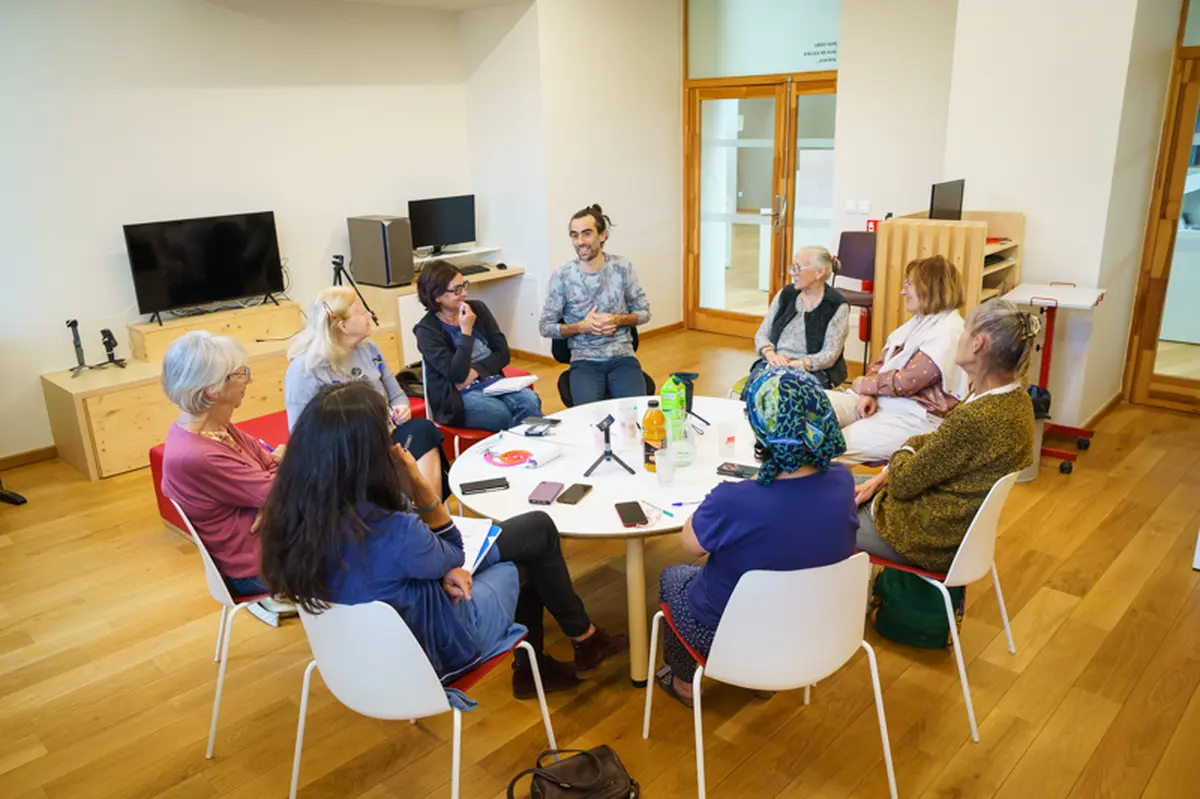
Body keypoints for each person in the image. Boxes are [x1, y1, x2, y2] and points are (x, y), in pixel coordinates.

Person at [259, 382, 628, 698]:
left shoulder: (294, 514)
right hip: (437, 649)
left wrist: (439, 570)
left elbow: (396, 566)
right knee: (529, 553)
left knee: (534, 528)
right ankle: (544, 662)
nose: (396, 439)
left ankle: (578, 643)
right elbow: (452, 551)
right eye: (388, 432)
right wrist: (423, 491)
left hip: (353, 658)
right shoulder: (392, 529)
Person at [654, 367, 858, 707]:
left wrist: (709, 509)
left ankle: (686, 684)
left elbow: (689, 546)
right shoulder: (842, 480)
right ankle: (765, 680)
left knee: (672, 576)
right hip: (814, 622)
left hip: (730, 633)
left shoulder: (733, 500)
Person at [853, 299, 1039, 572]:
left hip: (923, 537)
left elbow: (906, 480)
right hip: (953, 529)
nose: (960, 337)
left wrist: (903, 455)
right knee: (837, 484)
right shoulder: (1016, 401)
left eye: (966, 331)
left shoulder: (975, 417)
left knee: (811, 505)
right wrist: (887, 473)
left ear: (979, 344)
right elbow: (931, 444)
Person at [159, 331, 295, 627]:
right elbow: (285, 489)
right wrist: (274, 494)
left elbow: (271, 470)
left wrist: (271, 497)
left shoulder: (214, 427)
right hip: (255, 566)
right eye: (241, 373)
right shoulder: (200, 453)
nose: (248, 379)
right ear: (213, 390)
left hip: (270, 538)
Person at [285, 286, 444, 492]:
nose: (369, 314)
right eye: (361, 311)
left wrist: (401, 407)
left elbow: (397, 395)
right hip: (345, 452)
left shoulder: (368, 349)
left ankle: (429, 514)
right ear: (343, 325)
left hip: (384, 435)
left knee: (423, 430)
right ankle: (414, 513)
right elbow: (301, 435)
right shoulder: (305, 369)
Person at [825, 255, 971, 464]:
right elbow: (880, 363)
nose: (903, 291)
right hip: (880, 401)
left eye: (909, 284)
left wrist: (864, 384)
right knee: (811, 405)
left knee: (827, 446)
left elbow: (906, 382)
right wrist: (869, 393)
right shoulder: (917, 323)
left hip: (912, 417)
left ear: (929, 287)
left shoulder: (949, 331)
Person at [538, 204, 652, 405]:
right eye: (574, 235)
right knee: (589, 418)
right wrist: (582, 326)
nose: (580, 241)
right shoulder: (562, 276)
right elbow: (545, 327)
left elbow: (644, 312)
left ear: (602, 235)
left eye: (586, 234)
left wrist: (619, 319)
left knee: (635, 413)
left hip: (622, 356)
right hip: (584, 360)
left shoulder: (622, 267)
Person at [413, 260, 542, 431]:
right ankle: (516, 450)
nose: (464, 293)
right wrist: (466, 332)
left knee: (530, 401)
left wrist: (474, 372)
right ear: (436, 296)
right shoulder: (427, 331)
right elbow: (457, 375)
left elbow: (503, 354)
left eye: (464, 285)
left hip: (493, 382)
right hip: (456, 397)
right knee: (499, 414)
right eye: (457, 290)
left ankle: (523, 450)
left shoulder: (478, 309)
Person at [748, 245, 850, 391]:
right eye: (792, 267)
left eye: (797, 268)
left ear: (819, 272)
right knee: (755, 392)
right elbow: (762, 333)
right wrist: (770, 353)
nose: (792, 273)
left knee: (788, 394)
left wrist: (798, 364)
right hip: (775, 362)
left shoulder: (836, 305)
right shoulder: (786, 294)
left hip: (813, 370)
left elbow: (830, 354)